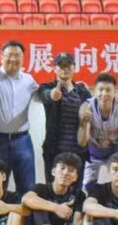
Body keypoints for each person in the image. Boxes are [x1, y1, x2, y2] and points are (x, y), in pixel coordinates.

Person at [0, 17, 39, 195]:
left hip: (22, 141)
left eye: (17, 55)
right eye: (9, 55)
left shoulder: (29, 80)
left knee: (28, 187)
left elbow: (44, 96)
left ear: (23, 58)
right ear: (1, 57)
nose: (13, 59)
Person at [19, 151, 84, 225]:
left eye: (70, 170)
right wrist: (56, 208)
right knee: (38, 208)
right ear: (53, 171)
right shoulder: (41, 189)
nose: (65, 172)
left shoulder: (79, 195)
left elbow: (77, 224)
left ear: (75, 177)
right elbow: (26, 199)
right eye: (62, 168)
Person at [35, 53, 91, 181]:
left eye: (68, 65)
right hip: (54, 150)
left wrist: (89, 116)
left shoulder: (82, 91)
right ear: (54, 69)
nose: (65, 69)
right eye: (61, 66)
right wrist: (52, 95)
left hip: (78, 151)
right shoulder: (47, 87)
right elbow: (45, 95)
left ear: (74, 68)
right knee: (53, 187)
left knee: (76, 188)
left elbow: (93, 108)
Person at [77, 72, 118, 189]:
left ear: (114, 92)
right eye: (100, 89)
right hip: (93, 154)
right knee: (88, 187)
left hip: (114, 152)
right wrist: (85, 123)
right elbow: (82, 142)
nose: (104, 94)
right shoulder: (86, 107)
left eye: (108, 90)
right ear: (94, 91)